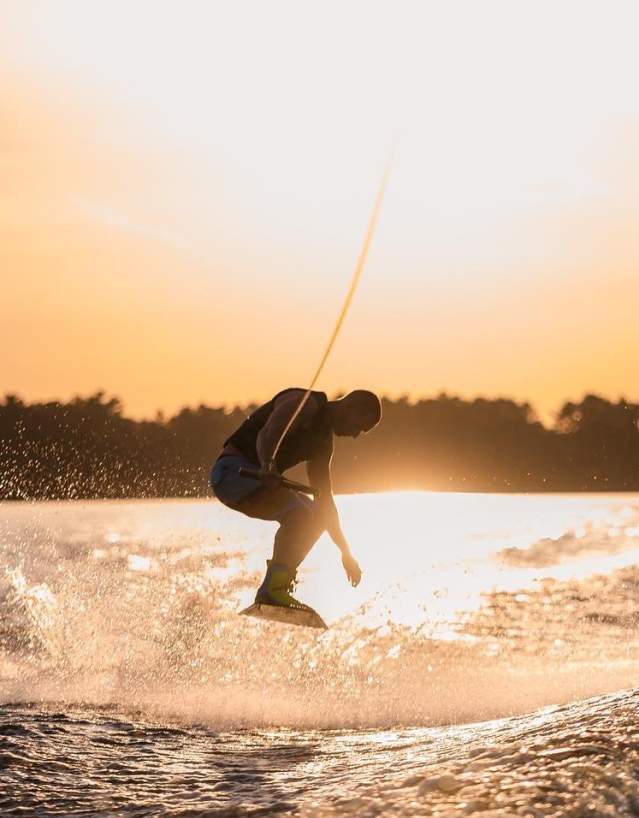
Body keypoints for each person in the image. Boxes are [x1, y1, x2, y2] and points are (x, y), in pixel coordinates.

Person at [210, 388, 382, 610]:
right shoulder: (302, 403)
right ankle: (272, 590)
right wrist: (268, 465)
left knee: (318, 517)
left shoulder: (322, 444)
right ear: (350, 407)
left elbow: (325, 500)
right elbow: (268, 434)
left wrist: (345, 552)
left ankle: (277, 585)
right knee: (300, 514)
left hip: (253, 480)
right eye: (359, 426)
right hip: (232, 472)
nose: (356, 434)